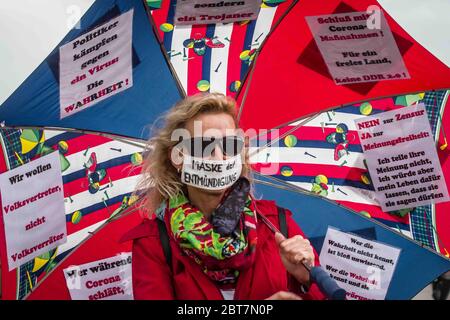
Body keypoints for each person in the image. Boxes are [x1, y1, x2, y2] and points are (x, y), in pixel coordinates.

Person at [121, 93, 326, 300]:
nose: (218, 158)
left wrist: (306, 279)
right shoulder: (154, 242)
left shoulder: (277, 224)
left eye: (230, 145)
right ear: (177, 158)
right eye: (203, 146)